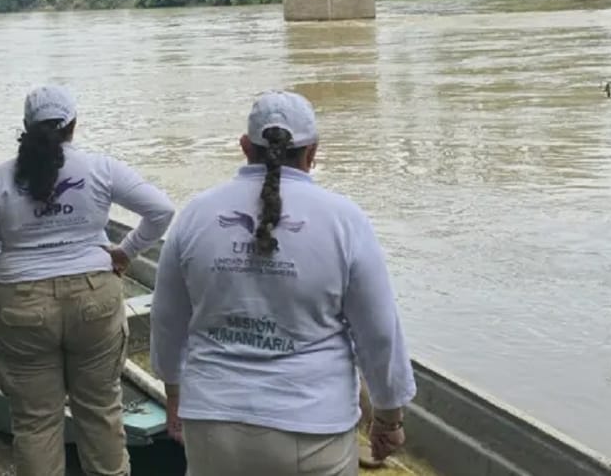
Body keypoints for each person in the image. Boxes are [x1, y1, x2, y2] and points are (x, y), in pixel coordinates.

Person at [150, 91, 416, 476]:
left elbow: (167, 319)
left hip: (212, 423)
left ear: (245, 148)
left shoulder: (196, 215)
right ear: (313, 153)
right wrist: (389, 419)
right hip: (313, 429)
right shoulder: (344, 221)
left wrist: (174, 393)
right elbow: (379, 334)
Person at [0, 84, 176, 476]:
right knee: (100, 413)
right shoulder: (100, 168)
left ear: (26, 127)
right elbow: (161, 211)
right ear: (73, 125)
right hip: (94, 298)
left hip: (21, 307)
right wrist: (126, 251)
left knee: (36, 422)